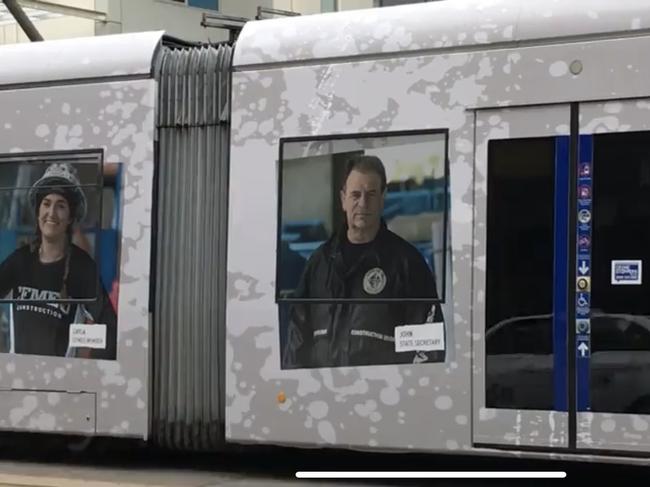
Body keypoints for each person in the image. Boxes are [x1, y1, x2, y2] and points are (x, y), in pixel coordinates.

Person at [282, 155, 444, 369]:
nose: (363, 203)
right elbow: (297, 340)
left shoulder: (407, 263)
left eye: (371, 194)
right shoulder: (319, 264)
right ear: (343, 199)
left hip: (383, 395)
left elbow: (427, 345)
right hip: (322, 395)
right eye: (355, 195)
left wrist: (403, 392)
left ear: (383, 198)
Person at [0, 163, 117, 359]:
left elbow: (109, 332)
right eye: (46, 203)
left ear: (71, 217)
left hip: (60, 383)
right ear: (38, 212)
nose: (51, 213)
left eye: (61, 206)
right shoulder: (20, 261)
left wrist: (85, 361)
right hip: (17, 379)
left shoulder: (82, 268)